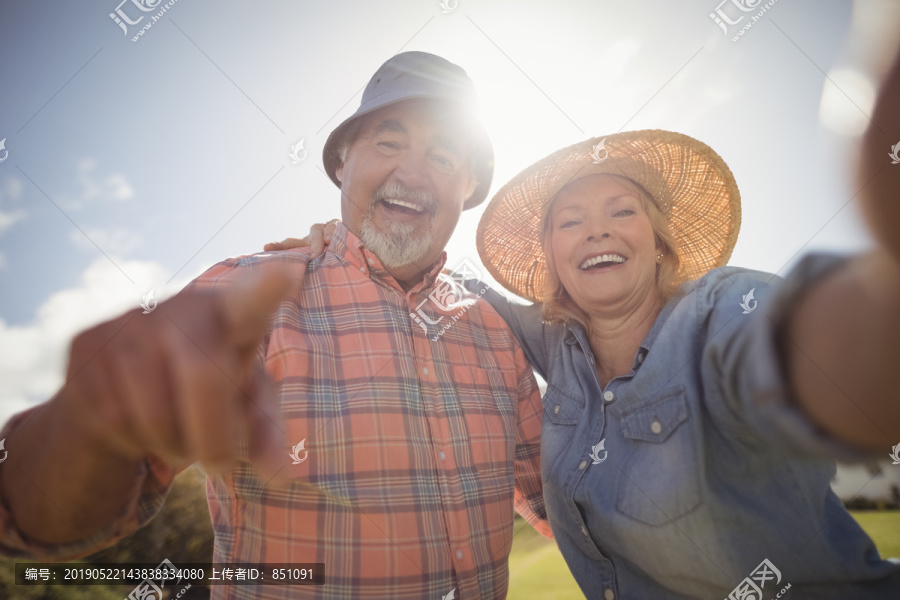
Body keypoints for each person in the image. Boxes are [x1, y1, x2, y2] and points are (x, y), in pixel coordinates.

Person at [275, 45, 900, 599]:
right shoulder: (547, 341)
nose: (596, 229)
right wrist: (340, 244)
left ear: (657, 239)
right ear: (552, 256)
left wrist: (860, 333)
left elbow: (794, 347)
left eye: (620, 210)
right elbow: (429, 275)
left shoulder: (720, 313)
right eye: (570, 220)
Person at [0, 52, 550, 600]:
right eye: (389, 142)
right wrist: (91, 422)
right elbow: (29, 519)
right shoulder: (243, 300)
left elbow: (565, 501)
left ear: (467, 186)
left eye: (443, 154)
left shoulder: (493, 329)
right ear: (342, 163)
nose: (411, 171)